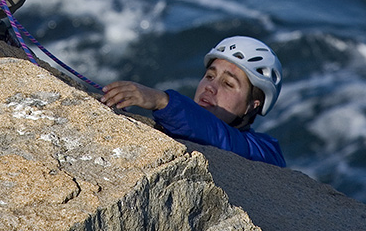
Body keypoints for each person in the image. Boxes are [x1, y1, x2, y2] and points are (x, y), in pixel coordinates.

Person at [100, 35, 286, 167]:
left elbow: (224, 139)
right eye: (210, 76)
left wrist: (163, 102)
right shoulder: (186, 123)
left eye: (228, 84)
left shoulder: (266, 152)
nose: (210, 87)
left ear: (252, 105)